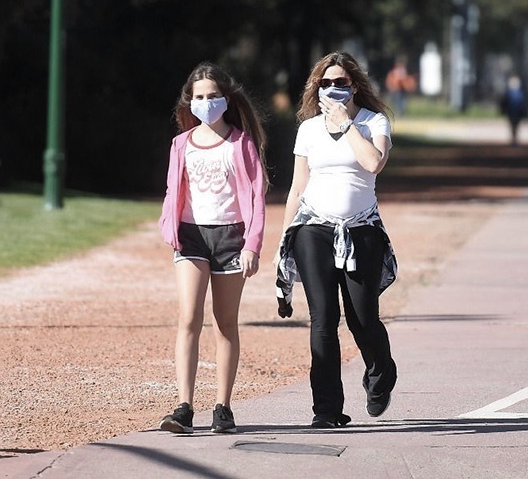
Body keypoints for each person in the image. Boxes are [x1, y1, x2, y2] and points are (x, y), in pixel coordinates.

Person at [274, 51, 399, 428]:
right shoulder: (308, 129)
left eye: (340, 83)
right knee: (323, 320)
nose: (332, 89)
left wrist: (347, 126)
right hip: (313, 228)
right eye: (325, 83)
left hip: (361, 230)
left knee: (363, 319)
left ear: (354, 85)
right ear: (317, 88)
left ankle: (381, 375)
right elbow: (297, 187)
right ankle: (326, 410)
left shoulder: (373, 122)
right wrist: (284, 243)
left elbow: (374, 162)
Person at [157, 62, 268, 434]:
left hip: (231, 238)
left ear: (226, 99)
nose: (206, 103)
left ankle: (223, 407)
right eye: (199, 97)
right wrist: (167, 225)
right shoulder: (180, 144)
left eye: (213, 96)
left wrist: (252, 245)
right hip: (191, 236)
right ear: (190, 102)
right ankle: (184, 406)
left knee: (225, 322)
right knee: (189, 318)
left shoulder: (241, 143)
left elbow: (256, 197)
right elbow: (174, 190)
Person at [499, 75, 528, 146]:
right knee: (513, 127)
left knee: (516, 127)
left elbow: (523, 103)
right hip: (511, 112)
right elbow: (504, 102)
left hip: (517, 113)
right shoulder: (508, 92)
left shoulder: (521, 92)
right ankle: (513, 140)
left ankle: (515, 140)